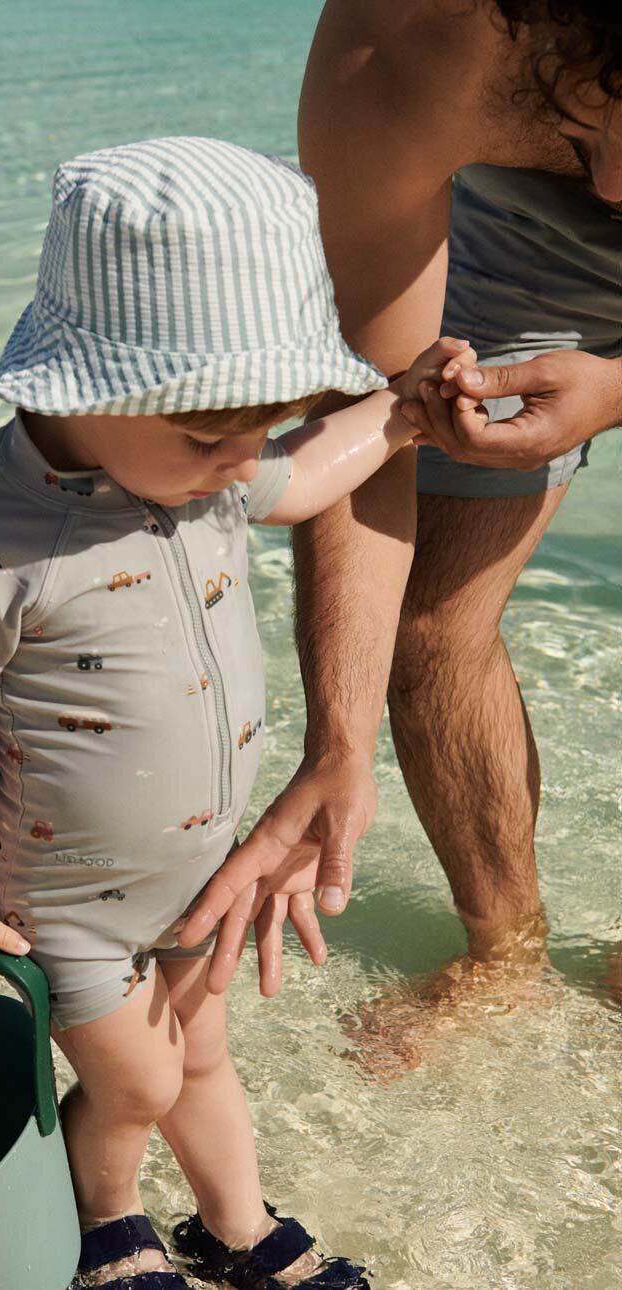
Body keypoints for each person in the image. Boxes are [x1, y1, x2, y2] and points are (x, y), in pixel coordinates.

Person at [0, 136, 476, 1289]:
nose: (239, 463)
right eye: (214, 436)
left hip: (206, 871)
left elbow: (307, 477)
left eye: (255, 427)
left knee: (202, 1058)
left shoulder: (198, 461)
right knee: (141, 1082)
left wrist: (399, 420)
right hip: (68, 903)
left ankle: (235, 1225)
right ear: (89, 388)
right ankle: (109, 1220)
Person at [177, 2, 622, 1039]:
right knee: (427, 628)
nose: (613, 187)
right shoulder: (401, 42)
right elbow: (364, 409)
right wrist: (340, 744)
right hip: (527, 241)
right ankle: (505, 949)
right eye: (583, 121)